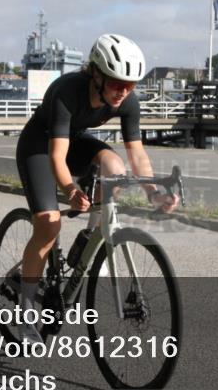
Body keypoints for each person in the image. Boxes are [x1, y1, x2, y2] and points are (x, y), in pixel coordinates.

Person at [15, 33, 178, 343]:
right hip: (39, 145)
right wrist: (71, 190)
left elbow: (137, 154)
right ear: (97, 75)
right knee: (49, 225)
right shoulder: (67, 92)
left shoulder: (127, 100)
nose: (124, 92)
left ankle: (91, 236)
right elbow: (56, 156)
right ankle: (25, 314)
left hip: (74, 140)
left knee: (115, 167)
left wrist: (153, 192)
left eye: (131, 85)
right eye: (118, 83)